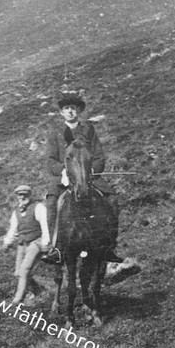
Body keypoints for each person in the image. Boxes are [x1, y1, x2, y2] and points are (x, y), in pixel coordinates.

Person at [45, 92, 123, 264]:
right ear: (61, 112)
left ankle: (108, 246)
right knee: (51, 203)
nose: (70, 111)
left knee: (112, 199)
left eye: (73, 108)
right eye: (67, 108)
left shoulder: (88, 130)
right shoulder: (55, 133)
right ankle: (56, 248)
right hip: (64, 177)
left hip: (88, 176)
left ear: (78, 111)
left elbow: (99, 157)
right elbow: (51, 161)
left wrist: (89, 171)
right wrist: (64, 171)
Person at [3, 184, 50, 304]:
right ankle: (38, 290)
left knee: (24, 270)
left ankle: (17, 300)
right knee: (18, 273)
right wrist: (7, 242)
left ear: (30, 195)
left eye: (25, 195)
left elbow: (46, 227)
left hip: (36, 242)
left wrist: (45, 243)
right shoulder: (16, 212)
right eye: (20, 195)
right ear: (17, 197)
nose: (22, 197)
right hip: (22, 243)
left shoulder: (38, 207)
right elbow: (13, 229)